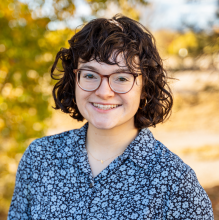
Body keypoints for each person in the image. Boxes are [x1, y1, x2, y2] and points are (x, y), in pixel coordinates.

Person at [8, 14, 213, 219]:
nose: (104, 92)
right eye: (90, 75)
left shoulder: (175, 182)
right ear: (74, 80)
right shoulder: (40, 158)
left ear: (145, 88)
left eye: (122, 78)